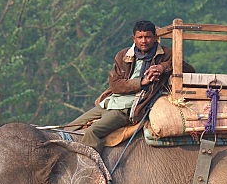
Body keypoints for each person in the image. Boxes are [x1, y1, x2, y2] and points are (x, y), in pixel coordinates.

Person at [67, 20, 178, 152]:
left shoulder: (166, 54)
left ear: (155, 37)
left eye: (148, 37)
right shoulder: (123, 55)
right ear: (134, 38)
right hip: (111, 102)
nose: (144, 41)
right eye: (140, 37)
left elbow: (187, 68)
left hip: (129, 108)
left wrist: (162, 67)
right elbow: (115, 85)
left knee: (92, 132)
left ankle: (93, 169)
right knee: (69, 129)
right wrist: (141, 82)